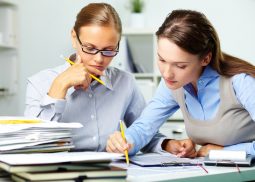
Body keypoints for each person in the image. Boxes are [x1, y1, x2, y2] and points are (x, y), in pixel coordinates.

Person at [106, 9, 255, 157]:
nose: (166, 73)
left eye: (180, 65)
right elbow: (145, 126)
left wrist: (223, 152)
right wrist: (124, 143)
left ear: (205, 59)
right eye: (162, 60)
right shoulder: (172, 84)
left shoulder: (241, 82)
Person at [24, 3, 165, 152]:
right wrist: (60, 85)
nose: (99, 59)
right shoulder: (39, 83)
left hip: (112, 171)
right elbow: (32, 145)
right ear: (74, 37)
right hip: (60, 173)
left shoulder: (125, 82)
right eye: (90, 48)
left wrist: (168, 144)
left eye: (109, 50)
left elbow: (145, 135)